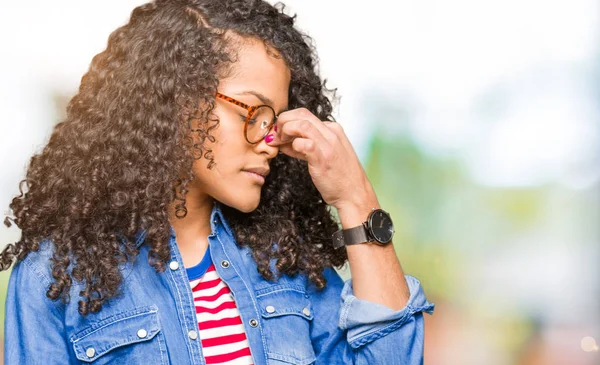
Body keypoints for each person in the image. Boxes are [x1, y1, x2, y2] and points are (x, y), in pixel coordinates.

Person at [1, 0, 435, 363]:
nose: (269, 142)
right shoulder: (53, 276)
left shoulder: (286, 264)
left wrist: (355, 197)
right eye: (254, 112)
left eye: (276, 122)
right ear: (176, 101)